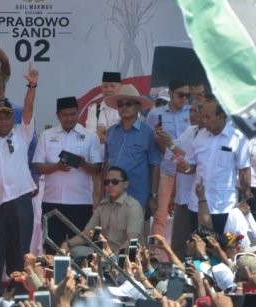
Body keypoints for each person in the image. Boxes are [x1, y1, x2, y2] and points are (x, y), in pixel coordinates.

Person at [0, 64, 38, 294]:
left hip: (21, 201)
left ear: (13, 118)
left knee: (19, 251)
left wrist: (31, 85)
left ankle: (20, 294)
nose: (2, 121)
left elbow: (29, 108)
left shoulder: (23, 133)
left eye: (6, 117)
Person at [33, 96, 101, 252]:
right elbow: (38, 166)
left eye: (73, 114)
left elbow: (97, 169)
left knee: (80, 251)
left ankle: (77, 277)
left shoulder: (90, 136)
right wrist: (57, 167)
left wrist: (83, 164)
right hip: (52, 202)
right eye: (65, 115)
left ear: (78, 113)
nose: (70, 118)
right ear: (58, 115)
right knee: (51, 248)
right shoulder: (47, 135)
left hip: (81, 203)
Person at [177, 95, 251, 234]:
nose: (203, 121)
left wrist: (245, 199)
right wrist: (183, 167)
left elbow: (244, 172)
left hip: (223, 206)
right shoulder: (200, 135)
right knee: (199, 247)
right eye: (202, 116)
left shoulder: (237, 137)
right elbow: (191, 166)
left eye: (208, 117)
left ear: (221, 116)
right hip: (197, 204)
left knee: (224, 250)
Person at [103, 84, 161, 213]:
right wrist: (103, 193)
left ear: (139, 106)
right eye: (120, 104)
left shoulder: (148, 133)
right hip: (111, 197)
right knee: (110, 233)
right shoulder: (111, 132)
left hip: (137, 197)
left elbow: (155, 165)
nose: (124, 107)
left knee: (136, 233)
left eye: (128, 104)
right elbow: (106, 164)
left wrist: (154, 196)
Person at [145, 80, 192, 239]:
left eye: (188, 95)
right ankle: (155, 256)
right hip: (165, 169)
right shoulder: (155, 114)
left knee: (187, 212)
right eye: (181, 95)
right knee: (160, 214)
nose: (184, 98)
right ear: (171, 94)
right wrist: (157, 140)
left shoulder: (191, 113)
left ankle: (186, 253)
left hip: (187, 171)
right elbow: (149, 142)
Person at [65, 166, 143, 254]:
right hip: (102, 254)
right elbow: (87, 233)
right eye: (107, 182)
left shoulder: (133, 207)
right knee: (74, 251)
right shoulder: (103, 206)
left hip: (123, 258)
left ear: (125, 184)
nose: (110, 185)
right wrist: (68, 244)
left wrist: (113, 259)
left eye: (115, 182)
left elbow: (132, 241)